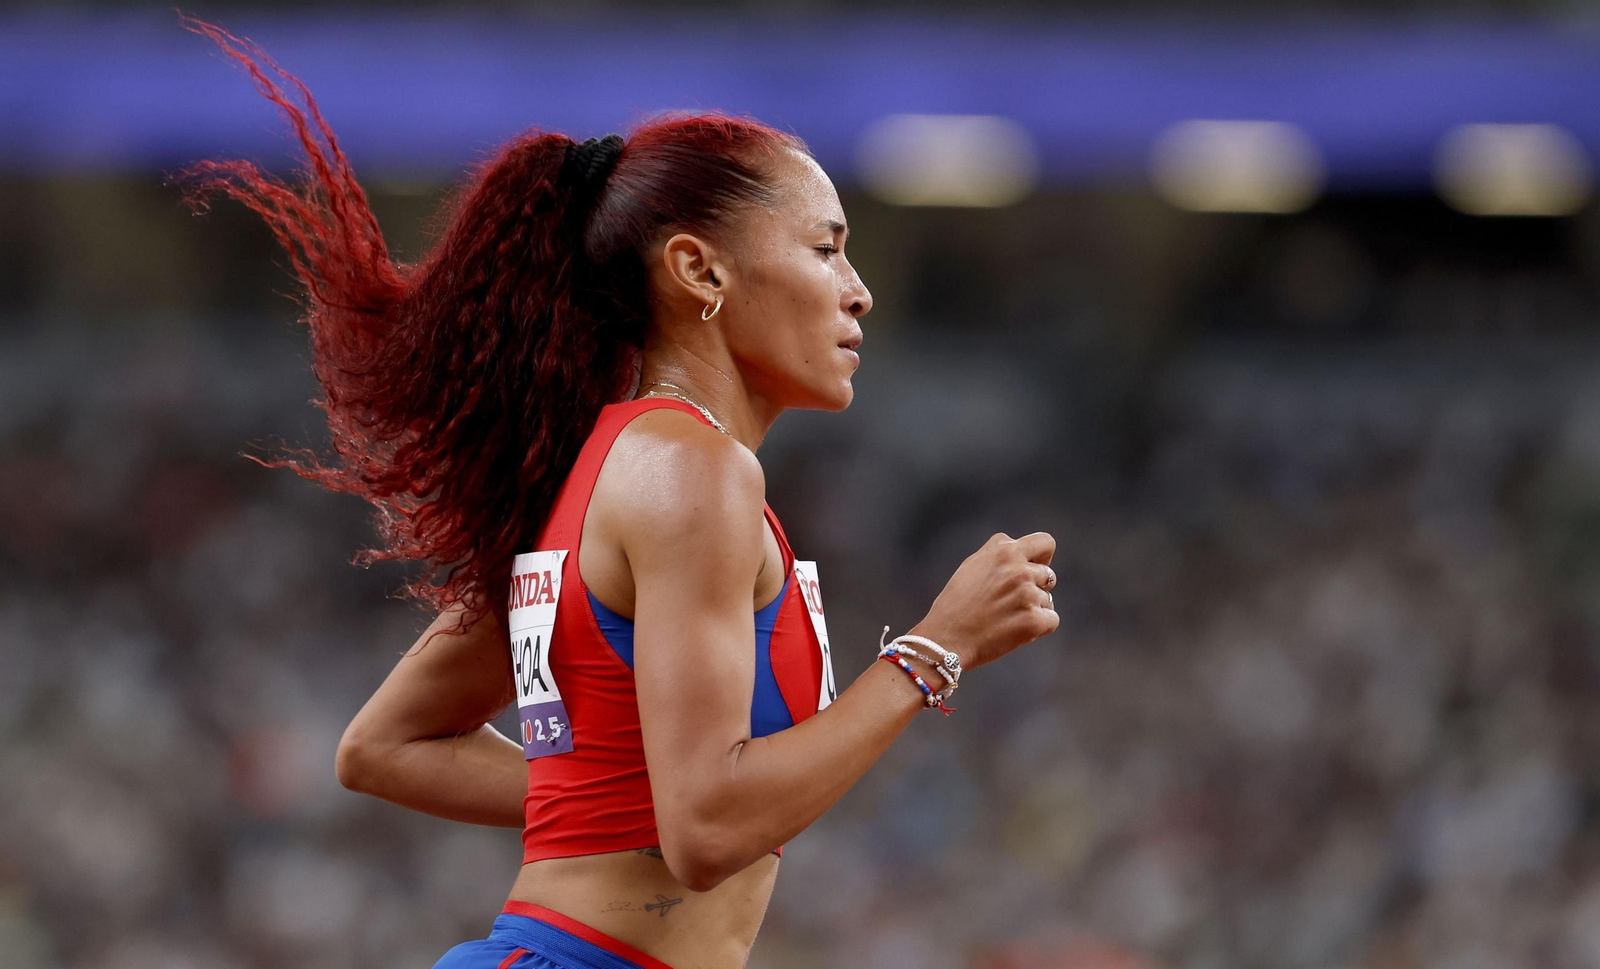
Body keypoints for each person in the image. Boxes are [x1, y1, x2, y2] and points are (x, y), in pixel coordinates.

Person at [179, 16, 1060, 969]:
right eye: (825, 249)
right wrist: (937, 648)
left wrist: (606, 782)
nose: (859, 291)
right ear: (697, 270)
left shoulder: (594, 469)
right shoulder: (694, 472)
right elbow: (709, 834)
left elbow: (387, 743)